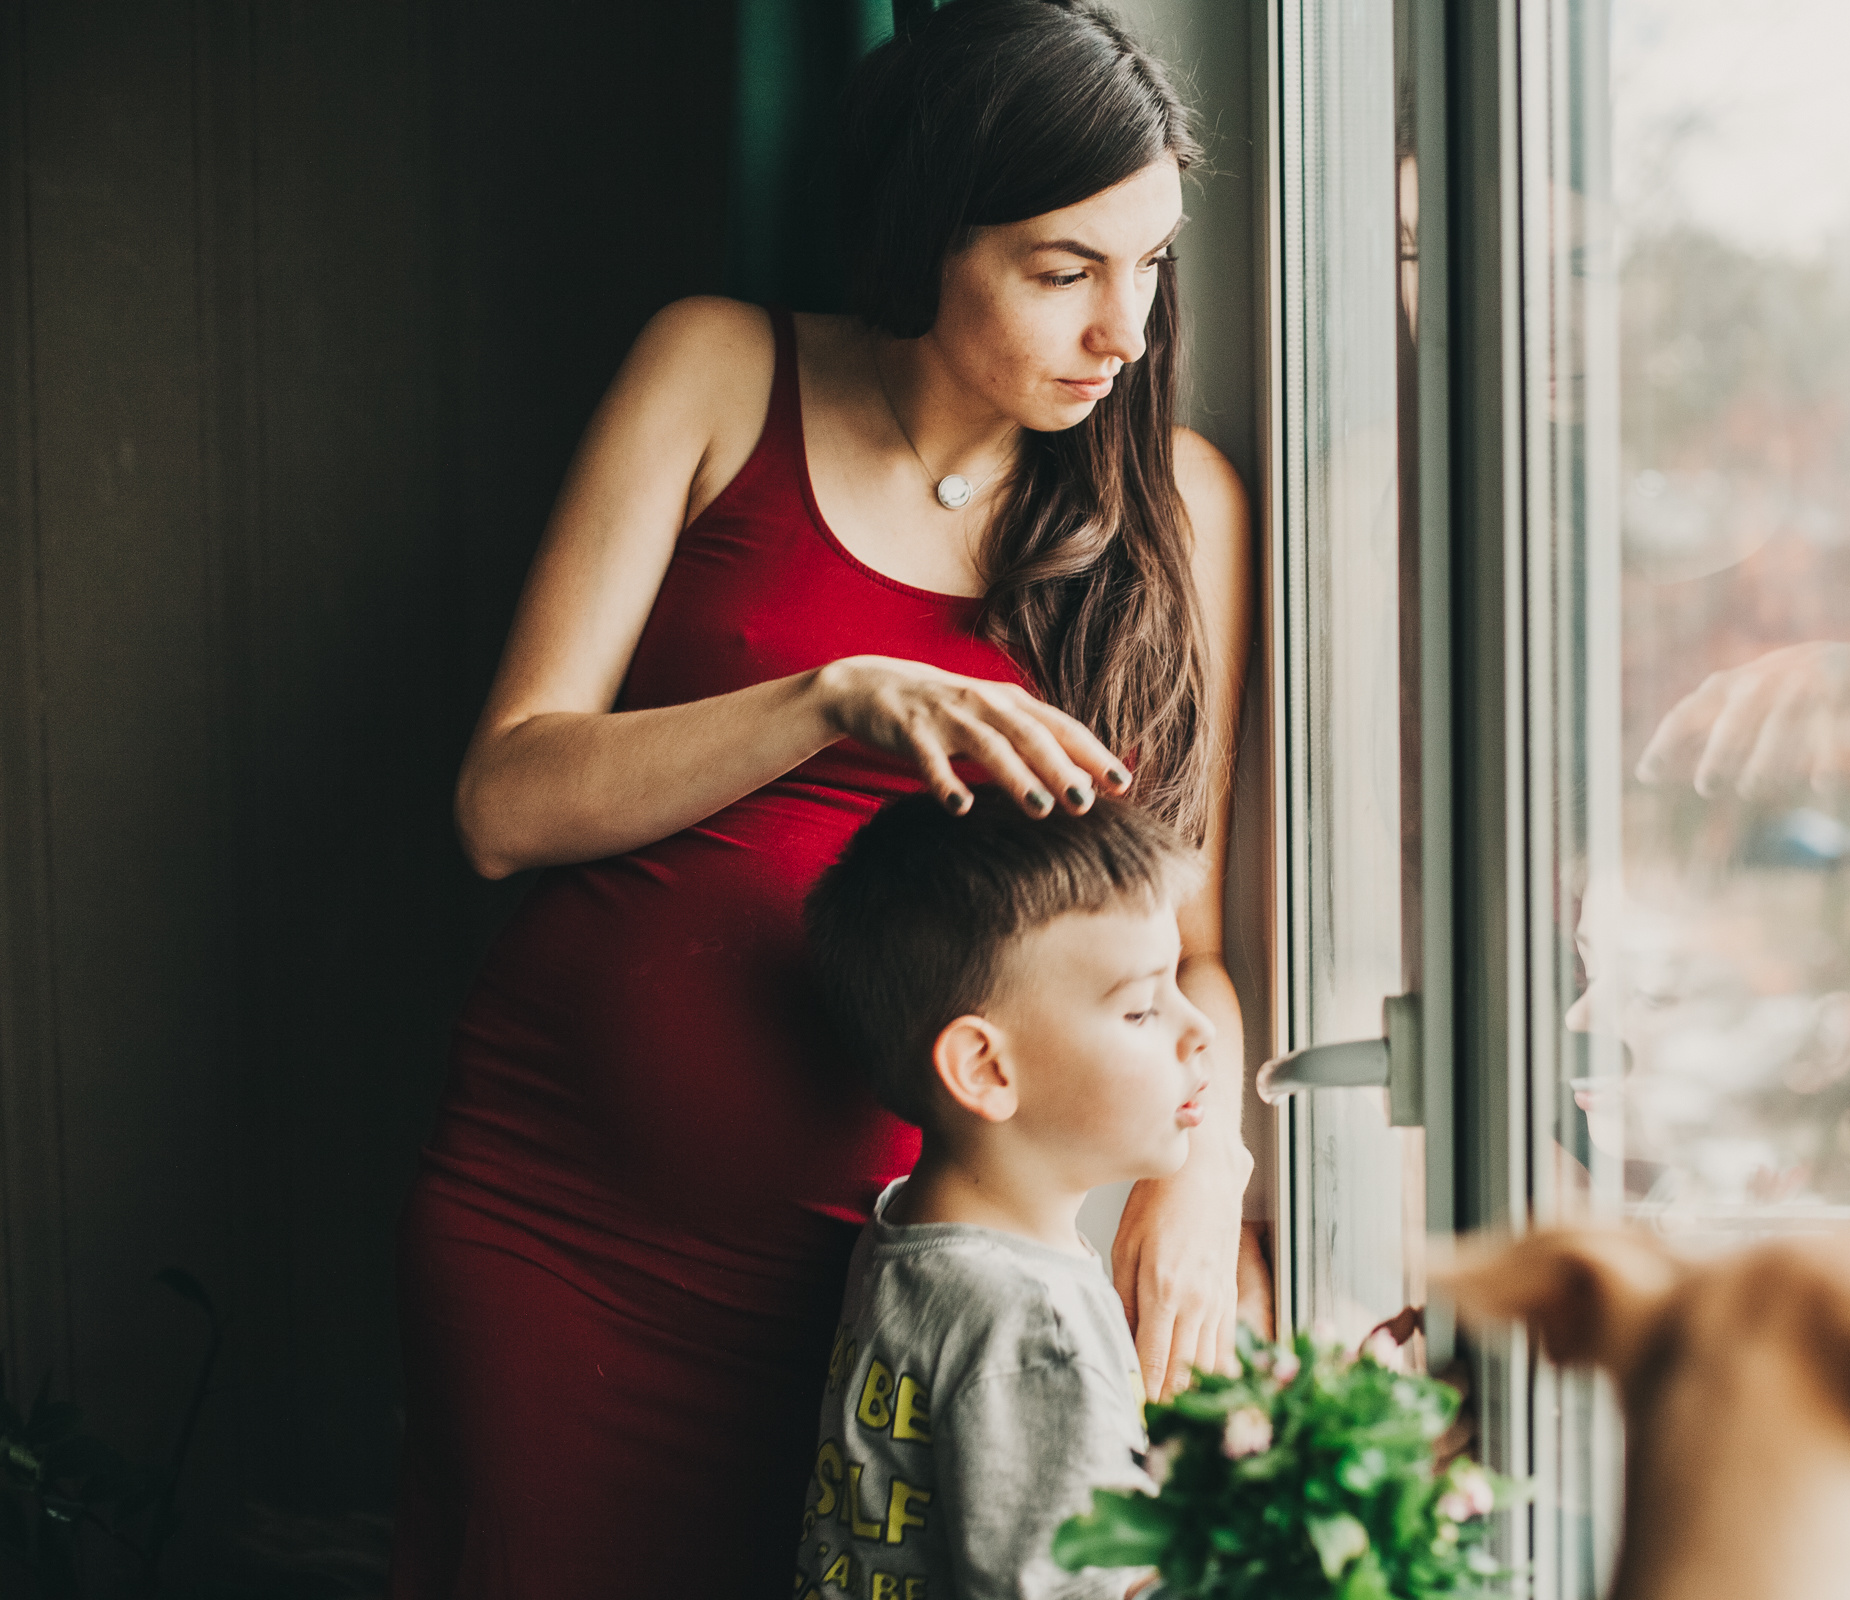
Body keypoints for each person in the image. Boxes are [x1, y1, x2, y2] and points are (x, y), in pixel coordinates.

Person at [389, 4, 1256, 1596]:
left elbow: (1180, 940)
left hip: (914, 1289)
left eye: (1151, 266)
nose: (1122, 330)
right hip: (566, 1225)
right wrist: (826, 698)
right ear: (928, 233)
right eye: (1063, 269)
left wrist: (1212, 1175)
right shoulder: (718, 366)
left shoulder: (1175, 512)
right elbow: (502, 800)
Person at [798, 788, 1205, 1600]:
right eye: (1139, 1009)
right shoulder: (1037, 1328)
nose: (1201, 1029)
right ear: (986, 1069)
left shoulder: (903, 1234)